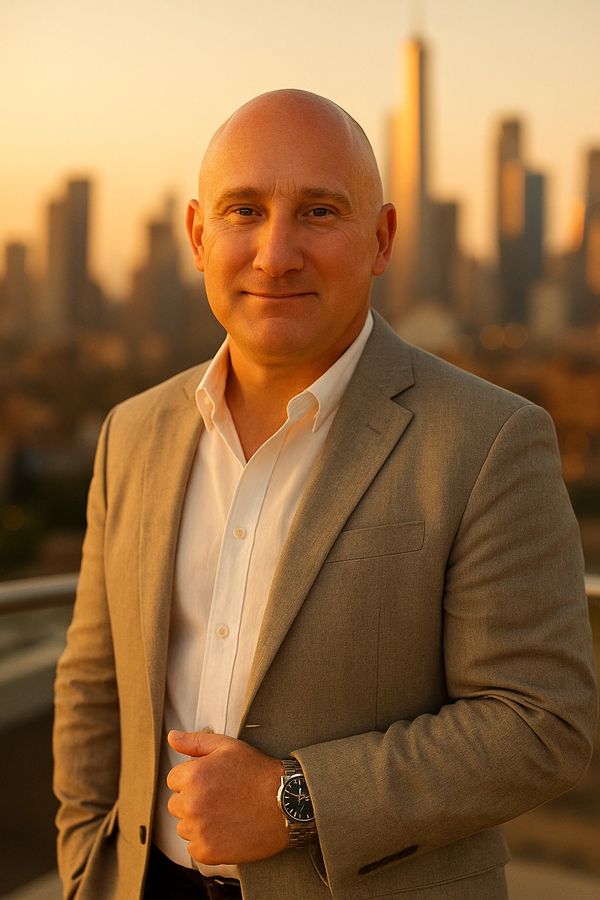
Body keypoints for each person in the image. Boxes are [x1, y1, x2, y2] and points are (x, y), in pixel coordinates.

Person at [53, 89, 597, 900]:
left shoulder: (489, 440)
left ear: (379, 240)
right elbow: (94, 683)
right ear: (200, 235)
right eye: (245, 210)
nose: (276, 253)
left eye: (317, 211)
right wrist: (82, 871)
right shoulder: (131, 433)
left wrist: (293, 801)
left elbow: (541, 722)